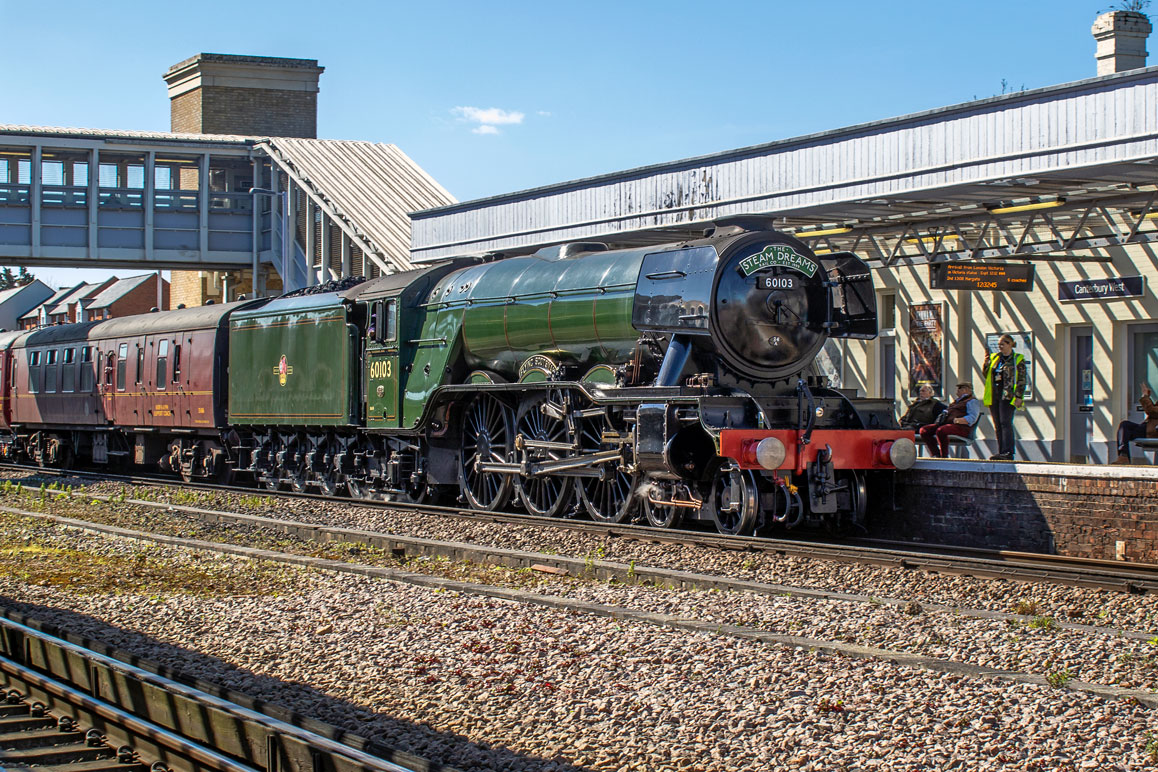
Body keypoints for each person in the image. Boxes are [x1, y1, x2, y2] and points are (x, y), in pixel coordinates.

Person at [982, 334, 1027, 461]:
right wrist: (986, 362)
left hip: (1008, 395)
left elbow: (1022, 379)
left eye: (1002, 344)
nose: (1000, 347)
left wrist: (1019, 396)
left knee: (1005, 423)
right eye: (999, 344)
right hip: (995, 394)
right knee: (997, 424)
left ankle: (1008, 451)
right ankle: (1001, 451)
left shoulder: (1017, 359)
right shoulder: (995, 358)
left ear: (1009, 344)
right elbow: (987, 374)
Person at [918, 382, 981, 458]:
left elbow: (972, 417)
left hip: (962, 427)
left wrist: (958, 420)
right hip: (947, 424)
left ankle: (944, 455)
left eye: (960, 388)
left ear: (966, 390)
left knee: (941, 430)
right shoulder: (957, 401)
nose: (957, 390)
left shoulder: (972, 401)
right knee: (924, 430)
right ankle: (936, 454)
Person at [1111, 384, 1158, 464]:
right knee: (1124, 426)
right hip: (1148, 428)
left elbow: (1152, 410)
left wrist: (1145, 396)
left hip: (1153, 431)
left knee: (1126, 426)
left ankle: (1123, 457)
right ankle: (1123, 456)